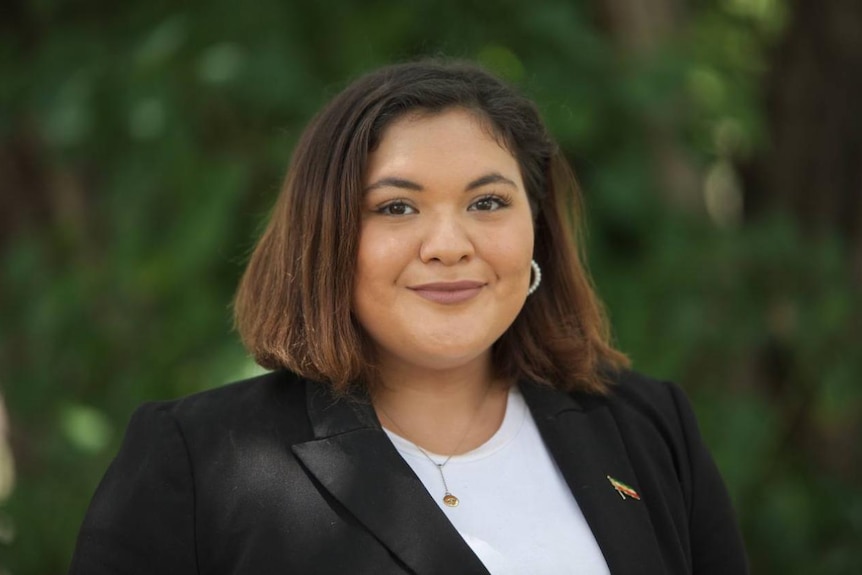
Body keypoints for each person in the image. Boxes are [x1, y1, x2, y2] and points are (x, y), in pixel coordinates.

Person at [69, 60, 748, 574]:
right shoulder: (199, 461)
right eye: (396, 207)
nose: (450, 244)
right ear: (326, 238)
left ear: (535, 231)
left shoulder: (649, 428)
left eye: (488, 203)